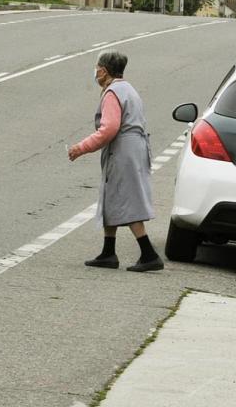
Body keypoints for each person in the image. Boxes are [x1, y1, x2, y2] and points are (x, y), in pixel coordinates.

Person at [68, 52, 164, 272]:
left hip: (123, 150)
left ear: (104, 70)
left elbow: (109, 128)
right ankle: (108, 252)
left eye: (97, 67)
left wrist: (80, 148)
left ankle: (149, 254)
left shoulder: (113, 92)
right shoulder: (128, 89)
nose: (95, 71)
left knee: (127, 197)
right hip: (133, 147)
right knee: (112, 194)